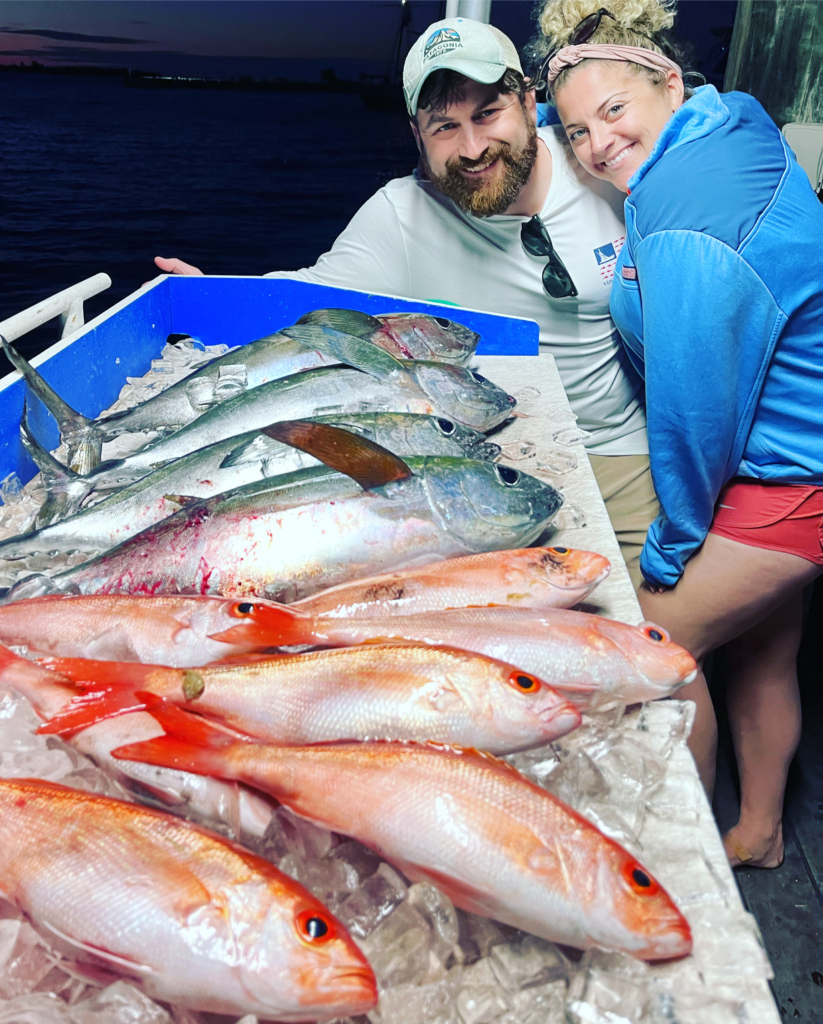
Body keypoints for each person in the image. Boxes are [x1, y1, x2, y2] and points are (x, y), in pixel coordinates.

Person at [155, 17, 660, 586]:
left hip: (623, 456)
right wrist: (210, 295)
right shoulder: (402, 213)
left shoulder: (599, 167)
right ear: (417, 135)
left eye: (487, 114)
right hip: (485, 463)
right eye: (444, 126)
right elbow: (313, 303)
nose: (472, 148)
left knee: (659, 648)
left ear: (526, 98)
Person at [537, 0, 823, 868]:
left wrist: (671, 543)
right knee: (765, 658)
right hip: (789, 453)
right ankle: (760, 833)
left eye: (613, 112)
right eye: (576, 131)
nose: (595, 147)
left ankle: (683, 862)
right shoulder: (726, 122)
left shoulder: (690, 221)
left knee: (656, 646)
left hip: (786, 485)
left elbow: (695, 418)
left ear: (667, 80)